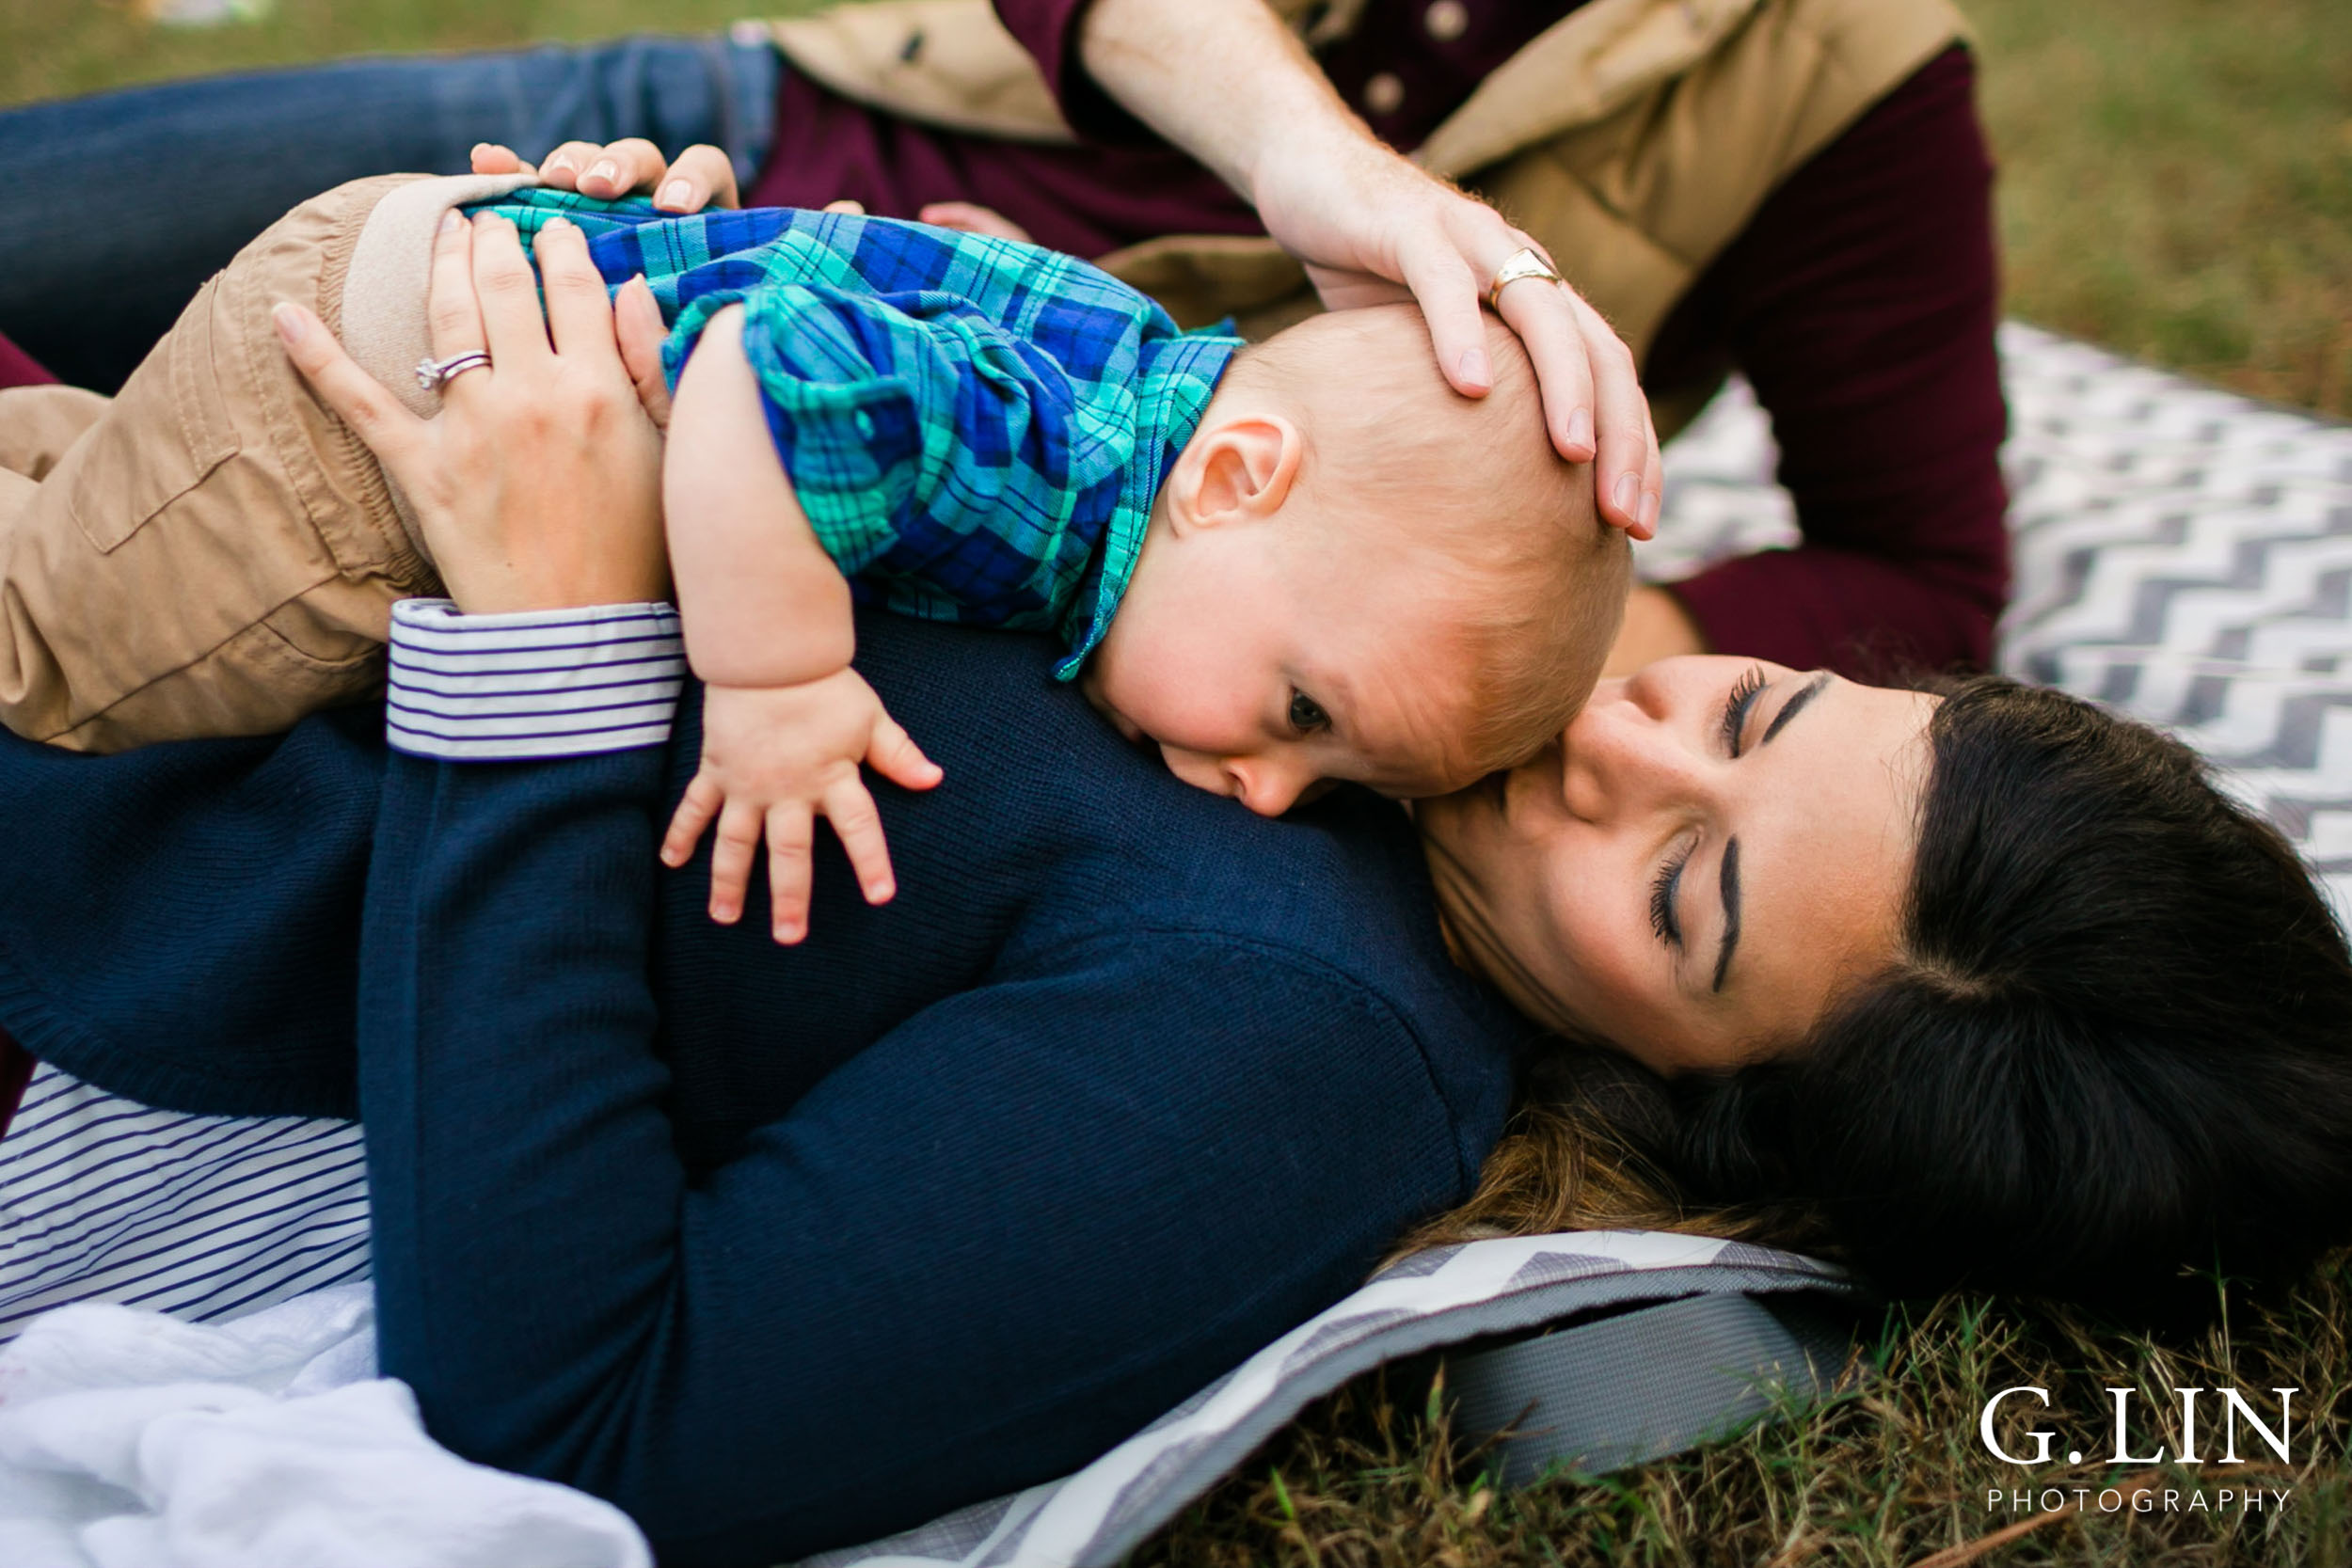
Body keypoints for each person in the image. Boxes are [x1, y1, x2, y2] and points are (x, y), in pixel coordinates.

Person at [5, 187, 2352, 1567]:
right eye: (1746, 712)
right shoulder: (1426, 643)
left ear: (1700, 1113)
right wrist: (672, 284)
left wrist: (550, 641)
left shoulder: (1302, 1046)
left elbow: (574, 1409)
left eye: (1687, 901)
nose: (1610, 748)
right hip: (220, 464)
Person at [0, 0, 2006, 677]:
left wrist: (1486, 615)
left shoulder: (1850, 81)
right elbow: (785, 372)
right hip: (752, 150)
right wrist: (1315, 163)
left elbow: (1923, 568)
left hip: (669, 336)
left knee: (128, 464)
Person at [0, 177, 1626, 936]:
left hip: (445, 288)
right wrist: (777, 679)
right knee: (54, 651)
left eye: (1330, 788)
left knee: (93, 494)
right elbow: (761, 372)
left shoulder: (1135, 375)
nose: (1271, 792)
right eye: (1303, 711)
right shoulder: (1053, 471)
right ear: (1241, 480)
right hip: (381, 435)